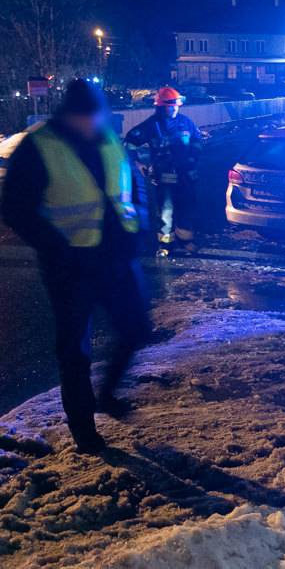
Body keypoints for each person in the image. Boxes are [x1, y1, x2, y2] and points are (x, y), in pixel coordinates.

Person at [1, 79, 151, 453]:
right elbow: (15, 208)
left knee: (135, 328)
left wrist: (140, 226)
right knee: (74, 351)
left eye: (96, 115)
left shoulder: (108, 137)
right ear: (68, 114)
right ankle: (85, 432)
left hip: (116, 258)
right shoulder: (38, 146)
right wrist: (57, 247)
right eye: (85, 116)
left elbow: (134, 184)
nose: (92, 122)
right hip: (70, 267)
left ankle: (107, 393)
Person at [125, 87, 202, 256]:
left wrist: (193, 157)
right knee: (166, 211)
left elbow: (197, 139)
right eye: (170, 106)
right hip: (164, 176)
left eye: (176, 105)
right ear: (160, 107)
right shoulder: (151, 125)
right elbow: (130, 142)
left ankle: (186, 240)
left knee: (187, 207)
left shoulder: (186, 122)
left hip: (185, 175)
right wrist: (138, 163)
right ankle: (166, 244)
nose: (174, 108)